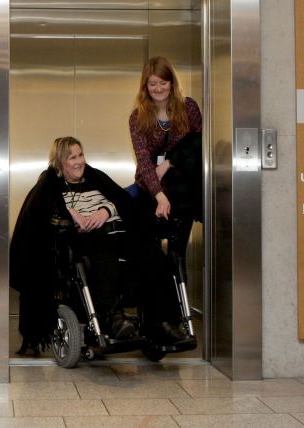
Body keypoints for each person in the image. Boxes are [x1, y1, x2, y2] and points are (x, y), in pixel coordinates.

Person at [10, 136, 136, 355]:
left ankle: (159, 322)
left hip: (115, 236)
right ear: (60, 162)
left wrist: (105, 210)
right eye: (72, 157)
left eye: (81, 155)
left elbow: (121, 199)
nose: (79, 161)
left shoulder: (95, 177)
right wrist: (70, 213)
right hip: (79, 243)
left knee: (149, 255)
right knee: (100, 254)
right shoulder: (50, 185)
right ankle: (113, 318)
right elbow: (39, 212)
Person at [128, 56, 202, 345]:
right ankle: (156, 321)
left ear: (172, 82)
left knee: (176, 255)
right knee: (150, 256)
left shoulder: (189, 108)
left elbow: (198, 145)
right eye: (152, 83)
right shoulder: (138, 117)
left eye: (163, 82)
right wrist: (158, 195)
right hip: (149, 191)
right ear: (146, 86)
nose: (158, 88)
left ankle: (175, 323)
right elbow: (144, 162)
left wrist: (170, 161)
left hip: (183, 193)